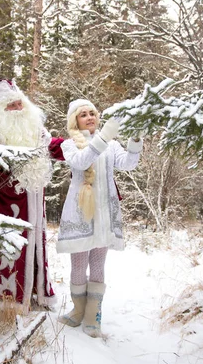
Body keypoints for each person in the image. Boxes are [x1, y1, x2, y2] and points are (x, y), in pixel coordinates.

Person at [0, 78, 64, 310]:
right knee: (10, 251)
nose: (17, 108)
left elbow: (54, 146)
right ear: (1, 109)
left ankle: (36, 293)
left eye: (19, 103)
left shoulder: (36, 128)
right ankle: (7, 302)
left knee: (35, 249)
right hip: (5, 206)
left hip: (34, 199)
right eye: (11, 105)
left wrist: (83, 145)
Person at [56, 99, 142, 337]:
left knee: (97, 265)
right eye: (83, 114)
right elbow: (82, 161)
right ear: (75, 120)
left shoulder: (112, 144)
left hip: (105, 212)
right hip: (81, 213)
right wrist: (103, 138)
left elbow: (129, 164)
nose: (90, 117)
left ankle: (94, 315)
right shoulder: (69, 144)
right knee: (78, 264)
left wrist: (135, 140)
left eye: (92, 113)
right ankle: (78, 311)